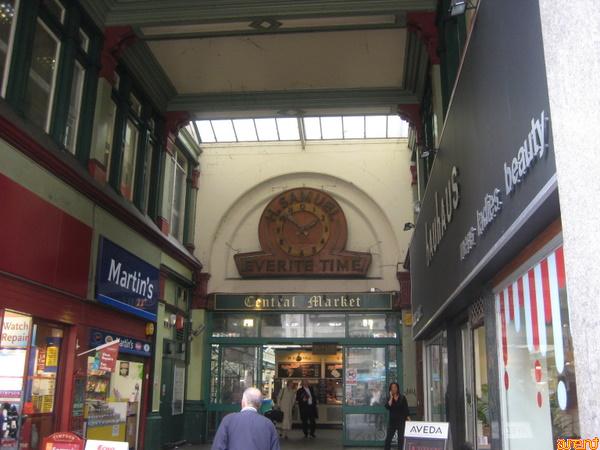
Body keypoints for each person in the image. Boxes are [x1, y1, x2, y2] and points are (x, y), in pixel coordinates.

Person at [211, 387, 280, 450]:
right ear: (259, 405)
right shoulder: (269, 424)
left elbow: (217, 447)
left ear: (243, 402)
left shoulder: (228, 420)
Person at [384, 382, 410, 450]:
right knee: (388, 439)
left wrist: (408, 418)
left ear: (397, 388)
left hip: (401, 421)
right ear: (390, 389)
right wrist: (391, 397)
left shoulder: (402, 397)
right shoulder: (389, 398)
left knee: (401, 439)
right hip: (392, 422)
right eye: (392, 387)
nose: (394, 389)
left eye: (395, 387)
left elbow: (406, 409)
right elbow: (387, 406)